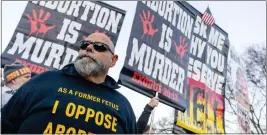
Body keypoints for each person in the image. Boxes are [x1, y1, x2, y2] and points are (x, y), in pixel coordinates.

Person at [1, 33, 137, 134]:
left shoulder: (123, 106)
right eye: (84, 45)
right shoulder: (43, 81)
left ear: (113, 60)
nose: (88, 48)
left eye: (99, 47)